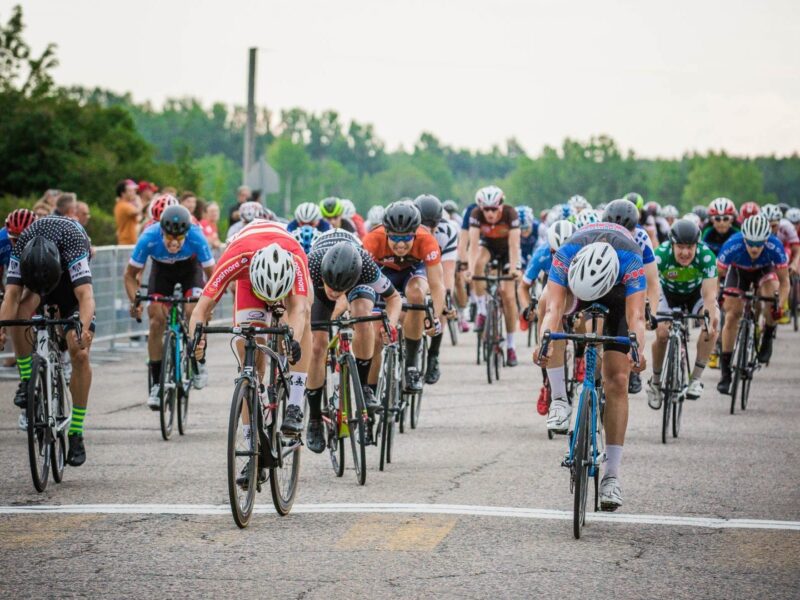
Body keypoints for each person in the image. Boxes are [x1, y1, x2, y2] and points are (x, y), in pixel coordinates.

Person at [534, 222, 647, 511]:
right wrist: (543, 344)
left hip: (619, 294)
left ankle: (611, 476)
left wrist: (638, 350)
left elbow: (636, 317)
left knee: (617, 380)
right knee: (551, 321)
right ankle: (559, 399)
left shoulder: (631, 259)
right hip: (579, 290)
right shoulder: (566, 254)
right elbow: (552, 311)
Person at [189, 220, 312, 435]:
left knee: (305, 318)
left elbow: (299, 310)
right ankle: (249, 442)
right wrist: (197, 340)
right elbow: (200, 310)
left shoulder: (296, 259)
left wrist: (292, 340)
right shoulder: (236, 258)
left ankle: (295, 403)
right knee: (250, 354)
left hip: (285, 269)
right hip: (249, 278)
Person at [0, 215, 95, 467]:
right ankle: (26, 377)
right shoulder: (22, 246)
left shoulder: (73, 243)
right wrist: (1, 330)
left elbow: (85, 297)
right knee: (20, 314)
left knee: (80, 352)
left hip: (69, 286)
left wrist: (83, 331)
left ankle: (76, 431)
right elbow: (10, 296)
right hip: (37, 277)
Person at [305, 235, 402, 452]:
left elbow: (394, 299)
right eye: (330, 285)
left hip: (357, 282)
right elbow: (296, 305)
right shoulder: (310, 263)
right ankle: (314, 419)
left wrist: (391, 327)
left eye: (339, 289)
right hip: (317, 285)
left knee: (363, 316)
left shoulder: (366, 266)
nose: (334, 290)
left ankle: (364, 387)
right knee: (317, 344)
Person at [124, 205, 216, 408]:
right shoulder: (149, 237)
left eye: (179, 239)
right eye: (169, 238)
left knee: (194, 312)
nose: (174, 243)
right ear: (161, 231)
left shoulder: (196, 237)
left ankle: (199, 361)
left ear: (186, 234)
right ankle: (157, 383)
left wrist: (208, 305)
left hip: (190, 272)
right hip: (162, 273)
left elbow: (213, 275)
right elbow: (129, 275)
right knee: (156, 319)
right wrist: (136, 300)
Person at [363, 202, 445, 392]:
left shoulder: (426, 239)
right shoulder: (373, 239)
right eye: (394, 238)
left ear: (415, 233)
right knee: (375, 336)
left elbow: (437, 285)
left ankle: (411, 366)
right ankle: (371, 391)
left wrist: (435, 317)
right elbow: (362, 282)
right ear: (386, 233)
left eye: (407, 237)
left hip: (413, 272)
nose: (400, 244)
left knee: (417, 295)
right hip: (382, 274)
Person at [646, 219, 720, 408]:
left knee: (712, 326)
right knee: (662, 333)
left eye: (690, 247)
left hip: (695, 295)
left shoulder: (706, 257)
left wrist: (709, 320)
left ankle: (695, 378)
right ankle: (655, 383)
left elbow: (710, 296)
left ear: (697, 245)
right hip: (667, 294)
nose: (685, 252)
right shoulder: (660, 256)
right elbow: (651, 289)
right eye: (680, 247)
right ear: (672, 244)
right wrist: (652, 315)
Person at [716, 215, 789, 394]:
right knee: (732, 315)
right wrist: (718, 296)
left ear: (766, 240)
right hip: (738, 272)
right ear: (744, 238)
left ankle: (768, 336)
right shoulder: (733, 244)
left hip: (764, 271)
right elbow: (716, 277)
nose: (754, 248)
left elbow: (785, 282)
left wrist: (779, 305)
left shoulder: (775, 246)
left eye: (758, 244)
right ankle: (725, 373)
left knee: (770, 295)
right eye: (750, 243)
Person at [603, 198, 661, 394]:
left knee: (636, 319)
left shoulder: (642, 239)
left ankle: (633, 365)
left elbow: (652, 283)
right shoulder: (597, 235)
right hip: (601, 289)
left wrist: (651, 313)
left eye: (628, 231)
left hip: (629, 289)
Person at [518, 220, 576, 416]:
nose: (562, 258)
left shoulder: (584, 250)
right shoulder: (542, 253)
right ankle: (547, 381)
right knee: (545, 306)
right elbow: (524, 286)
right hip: (552, 286)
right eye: (555, 253)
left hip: (577, 285)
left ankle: (582, 357)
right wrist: (528, 308)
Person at [464, 185, 522, 366]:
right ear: (481, 208)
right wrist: (470, 270)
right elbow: (473, 246)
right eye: (486, 209)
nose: (489, 213)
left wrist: (513, 269)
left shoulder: (510, 214)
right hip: (488, 246)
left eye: (493, 209)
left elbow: (514, 246)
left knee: (508, 296)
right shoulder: (475, 214)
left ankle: (511, 347)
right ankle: (481, 309)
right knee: (479, 264)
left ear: (501, 206)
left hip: (507, 252)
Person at [414, 194, 457, 383]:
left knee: (443, 302)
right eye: (423, 225)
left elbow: (447, 272)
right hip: (415, 265)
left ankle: (433, 354)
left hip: (437, 265)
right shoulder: (407, 228)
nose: (428, 230)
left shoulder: (447, 232)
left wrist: (445, 300)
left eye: (432, 225)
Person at [114, 179, 142, 244]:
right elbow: (137, 212)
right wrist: (138, 200)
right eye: (129, 191)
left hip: (127, 241)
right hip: (127, 242)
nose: (133, 193)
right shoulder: (124, 205)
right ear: (123, 193)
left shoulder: (122, 204)